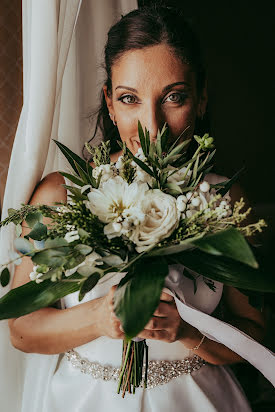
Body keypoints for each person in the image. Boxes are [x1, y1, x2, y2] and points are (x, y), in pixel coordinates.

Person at [8, 5, 266, 411]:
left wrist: (186, 330)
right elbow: (22, 331)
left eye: (175, 97)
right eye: (130, 98)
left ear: (201, 99)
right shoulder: (61, 196)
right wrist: (99, 317)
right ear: (109, 103)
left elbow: (257, 333)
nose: (152, 126)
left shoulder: (225, 202)